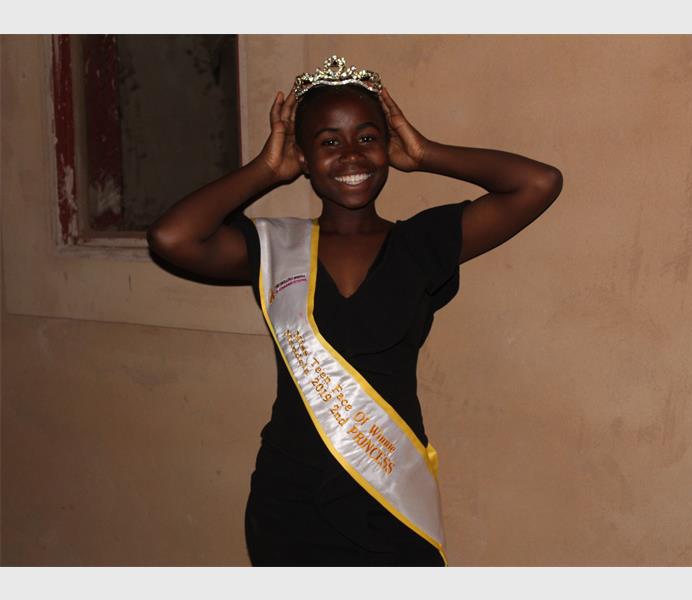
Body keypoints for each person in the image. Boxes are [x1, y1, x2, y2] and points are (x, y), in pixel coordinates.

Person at [147, 55, 563, 567]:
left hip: (390, 493)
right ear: (302, 156)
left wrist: (425, 152)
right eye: (329, 142)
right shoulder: (274, 246)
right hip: (290, 500)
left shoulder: (423, 242)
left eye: (367, 138)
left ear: (387, 145)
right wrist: (265, 170)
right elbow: (172, 237)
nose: (351, 156)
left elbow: (539, 183)